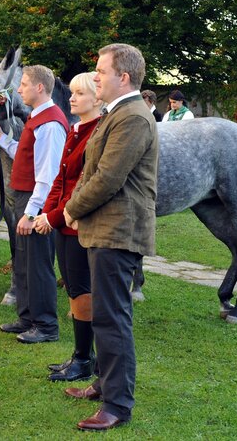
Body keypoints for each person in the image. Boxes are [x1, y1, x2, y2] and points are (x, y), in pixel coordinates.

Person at [62, 43, 159, 431]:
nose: (96, 77)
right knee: (106, 314)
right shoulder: (118, 113)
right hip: (104, 229)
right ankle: (104, 385)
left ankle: (118, 404)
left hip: (118, 232)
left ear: (123, 77)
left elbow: (108, 178)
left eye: (101, 71)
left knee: (113, 318)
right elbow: (94, 170)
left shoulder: (133, 116)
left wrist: (71, 208)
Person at [0, 65, 68, 344]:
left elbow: (47, 176)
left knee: (38, 264)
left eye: (24, 84)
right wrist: (4, 141)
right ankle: (27, 317)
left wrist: (30, 213)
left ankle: (46, 325)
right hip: (27, 198)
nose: (19, 89)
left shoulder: (49, 122)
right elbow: (27, 156)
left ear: (40, 88)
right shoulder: (38, 118)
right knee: (24, 262)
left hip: (36, 202)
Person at [34, 72, 101, 382]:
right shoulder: (75, 129)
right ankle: (82, 354)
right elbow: (60, 178)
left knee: (81, 291)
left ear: (97, 99)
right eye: (72, 93)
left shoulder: (96, 133)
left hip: (78, 224)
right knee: (75, 290)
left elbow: (83, 187)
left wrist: (54, 217)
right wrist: (46, 213)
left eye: (79, 94)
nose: (72, 98)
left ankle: (84, 358)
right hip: (63, 222)